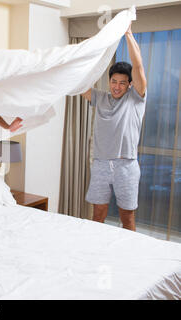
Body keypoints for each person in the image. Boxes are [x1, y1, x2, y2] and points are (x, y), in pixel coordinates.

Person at [81, 24, 147, 231]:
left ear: (129, 84)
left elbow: (138, 68)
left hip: (126, 167)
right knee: (97, 216)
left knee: (127, 218)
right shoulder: (100, 98)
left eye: (122, 83)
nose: (117, 86)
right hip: (100, 164)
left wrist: (127, 34)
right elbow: (79, 84)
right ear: (108, 81)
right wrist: (93, 49)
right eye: (113, 81)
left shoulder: (135, 99)